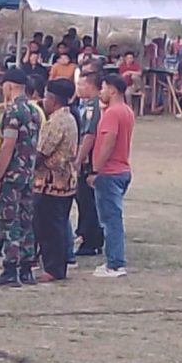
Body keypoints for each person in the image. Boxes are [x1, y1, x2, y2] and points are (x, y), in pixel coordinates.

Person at [0, 69, 40, 287]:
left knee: (8, 221)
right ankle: (26, 268)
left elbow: (8, 145)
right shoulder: (34, 111)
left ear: (9, 86)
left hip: (12, 175)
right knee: (26, 220)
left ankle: (10, 268)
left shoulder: (13, 112)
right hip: (28, 174)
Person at [89, 75, 135, 278]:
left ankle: (115, 263)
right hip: (122, 170)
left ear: (113, 90)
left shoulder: (112, 113)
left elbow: (108, 142)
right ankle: (113, 260)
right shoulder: (127, 111)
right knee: (111, 217)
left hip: (110, 172)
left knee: (111, 219)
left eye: (103, 88)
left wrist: (95, 170)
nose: (101, 92)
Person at [33, 79, 78, 282]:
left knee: (50, 227)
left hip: (50, 183)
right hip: (66, 182)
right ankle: (57, 266)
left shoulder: (55, 122)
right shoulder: (70, 118)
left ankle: (53, 269)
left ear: (53, 99)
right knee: (58, 225)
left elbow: (42, 152)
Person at [73, 71, 104, 257]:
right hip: (88, 161)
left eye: (81, 84)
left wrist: (79, 159)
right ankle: (87, 234)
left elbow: (89, 135)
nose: (78, 88)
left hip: (89, 162)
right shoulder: (86, 105)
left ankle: (91, 241)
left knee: (88, 201)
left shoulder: (93, 107)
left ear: (90, 86)